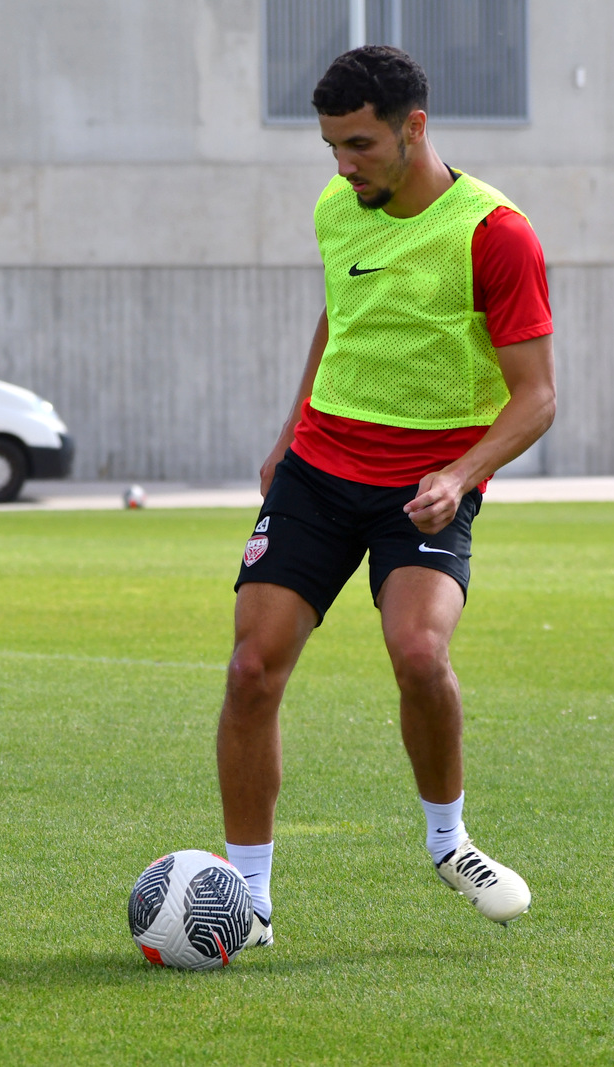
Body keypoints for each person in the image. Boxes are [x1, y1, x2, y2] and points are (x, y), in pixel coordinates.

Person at [218, 46, 557, 948]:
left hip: (425, 485)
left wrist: (461, 473)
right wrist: (289, 433)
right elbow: (342, 313)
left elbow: (537, 397)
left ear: (415, 127)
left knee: (417, 651)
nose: (343, 166)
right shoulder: (339, 208)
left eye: (360, 144)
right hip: (319, 468)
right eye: (331, 146)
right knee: (251, 669)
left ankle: (449, 842)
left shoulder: (496, 234)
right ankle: (248, 900)